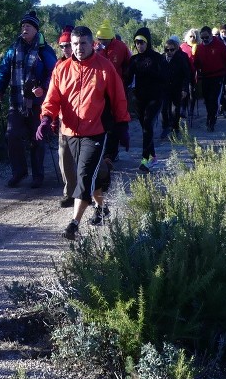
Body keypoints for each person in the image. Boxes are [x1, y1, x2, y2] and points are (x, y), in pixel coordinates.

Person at [37, 26, 131, 240]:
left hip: (95, 132)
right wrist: (46, 119)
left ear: (92, 44)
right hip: (69, 131)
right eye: (75, 44)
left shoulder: (105, 68)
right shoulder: (62, 69)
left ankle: (73, 224)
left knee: (84, 176)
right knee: (82, 175)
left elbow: (119, 98)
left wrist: (123, 125)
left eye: (83, 43)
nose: (78, 48)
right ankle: (102, 208)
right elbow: (52, 99)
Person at [0, 10, 57, 189]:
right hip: (17, 101)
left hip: (37, 103)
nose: (24, 29)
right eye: (23, 26)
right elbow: (4, 70)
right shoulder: (13, 48)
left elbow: (54, 73)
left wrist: (43, 88)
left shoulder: (45, 50)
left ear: (36, 29)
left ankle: (38, 176)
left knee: (37, 138)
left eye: (28, 26)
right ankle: (19, 172)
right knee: (12, 135)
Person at [125, 27, 167, 173]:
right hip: (139, 98)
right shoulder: (134, 60)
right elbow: (127, 79)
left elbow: (165, 77)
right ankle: (154, 156)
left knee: (148, 124)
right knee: (145, 128)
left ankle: (144, 159)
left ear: (147, 42)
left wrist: (152, 72)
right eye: (136, 42)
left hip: (155, 98)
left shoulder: (158, 58)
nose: (139, 45)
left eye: (142, 42)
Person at [192, 25, 226, 132]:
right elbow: (196, 63)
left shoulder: (220, 45)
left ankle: (211, 120)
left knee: (213, 99)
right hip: (205, 77)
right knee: (207, 99)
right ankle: (210, 116)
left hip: (218, 76)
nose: (204, 40)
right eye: (202, 38)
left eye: (206, 37)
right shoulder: (200, 48)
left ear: (211, 35)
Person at [54, 27, 77, 208]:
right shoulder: (59, 65)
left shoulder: (91, 63)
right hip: (65, 119)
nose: (66, 49)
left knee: (89, 160)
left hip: (88, 121)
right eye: (62, 46)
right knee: (64, 156)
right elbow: (53, 94)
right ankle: (69, 193)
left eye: (68, 45)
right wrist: (51, 117)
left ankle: (92, 189)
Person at [160, 35, 192, 139]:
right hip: (164, 88)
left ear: (176, 49)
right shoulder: (161, 58)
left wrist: (185, 89)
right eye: (167, 49)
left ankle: (175, 129)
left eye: (172, 49)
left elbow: (187, 75)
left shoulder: (181, 58)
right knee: (164, 109)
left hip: (177, 88)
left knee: (175, 110)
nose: (169, 51)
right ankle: (165, 127)